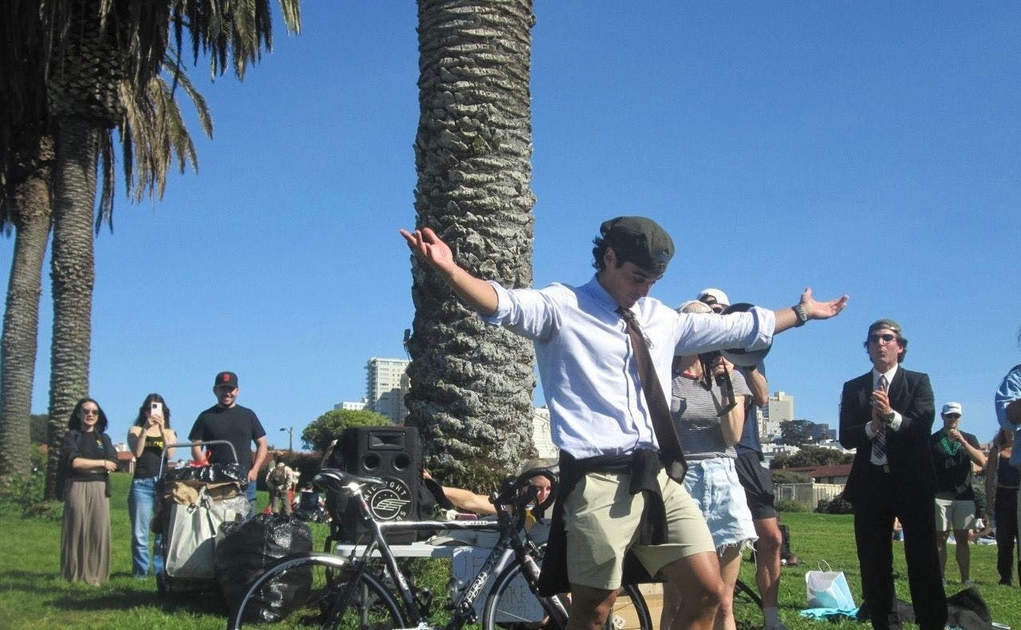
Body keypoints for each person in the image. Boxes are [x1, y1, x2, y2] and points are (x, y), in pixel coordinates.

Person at [401, 216, 848, 630]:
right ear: (609, 258)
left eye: (655, 281)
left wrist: (803, 313)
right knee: (594, 610)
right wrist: (451, 270)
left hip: (657, 475)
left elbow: (738, 328)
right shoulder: (563, 306)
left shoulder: (659, 318)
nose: (646, 290)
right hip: (596, 480)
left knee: (708, 591)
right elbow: (502, 303)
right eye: (638, 278)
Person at [838, 319, 946, 630]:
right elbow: (846, 437)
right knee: (874, 563)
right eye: (874, 339)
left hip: (912, 483)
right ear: (868, 348)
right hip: (871, 482)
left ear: (900, 346)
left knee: (923, 558)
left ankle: (932, 622)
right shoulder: (855, 387)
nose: (880, 343)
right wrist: (872, 426)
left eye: (887, 338)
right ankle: (885, 624)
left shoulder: (918, 382)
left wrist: (890, 417)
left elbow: (922, 429)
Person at [660, 300, 757, 630]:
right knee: (677, 598)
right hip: (680, 481)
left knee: (723, 601)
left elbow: (732, 436)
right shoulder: (664, 375)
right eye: (692, 322)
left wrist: (727, 384)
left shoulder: (730, 376)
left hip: (721, 479)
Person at [697, 288, 788, 630]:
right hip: (711, 452)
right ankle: (721, 613)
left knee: (772, 537)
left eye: (722, 309)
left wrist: (744, 365)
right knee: (716, 542)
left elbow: (762, 397)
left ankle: (771, 617)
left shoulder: (743, 351)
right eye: (710, 308)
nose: (717, 314)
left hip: (746, 452)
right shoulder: (695, 349)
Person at [188, 371, 268, 516]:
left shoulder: (248, 415)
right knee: (216, 523)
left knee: (246, 526)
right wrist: (206, 468)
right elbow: (195, 446)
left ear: (237, 391)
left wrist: (255, 469)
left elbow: (262, 444)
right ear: (215, 390)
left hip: (245, 481)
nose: (227, 393)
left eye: (230, 389)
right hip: (216, 482)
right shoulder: (206, 416)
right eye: (222, 388)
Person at [59, 398, 118, 585]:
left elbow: (113, 463)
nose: (90, 415)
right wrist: (101, 464)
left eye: (94, 412)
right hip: (76, 486)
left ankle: (96, 576)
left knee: (98, 531)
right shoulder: (71, 437)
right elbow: (75, 462)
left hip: (100, 488)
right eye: (86, 411)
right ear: (78, 414)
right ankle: (73, 575)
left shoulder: (104, 439)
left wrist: (90, 465)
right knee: (76, 529)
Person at [929, 401, 986, 586]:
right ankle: (941, 577)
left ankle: (965, 578)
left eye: (956, 416)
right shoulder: (933, 440)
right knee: (941, 537)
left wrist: (962, 441)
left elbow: (981, 461)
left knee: (963, 537)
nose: (953, 419)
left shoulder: (969, 437)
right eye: (949, 416)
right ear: (942, 417)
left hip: (964, 494)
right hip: (940, 495)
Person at [126, 393, 177, 578]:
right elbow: (137, 453)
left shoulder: (170, 432)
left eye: (157, 408)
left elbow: (170, 454)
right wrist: (145, 429)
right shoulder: (135, 429)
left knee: (160, 532)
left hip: (161, 484)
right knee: (139, 534)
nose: (153, 412)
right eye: (149, 408)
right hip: (141, 483)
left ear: (164, 411)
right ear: (144, 411)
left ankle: (159, 572)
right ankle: (140, 574)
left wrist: (162, 430)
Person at [985, 428, 1020, 585]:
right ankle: (1005, 578)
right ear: (1003, 431)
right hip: (1003, 496)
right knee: (1004, 539)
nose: (1012, 433)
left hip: (1019, 495)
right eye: (1009, 429)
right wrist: (989, 502)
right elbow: (989, 477)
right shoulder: (996, 451)